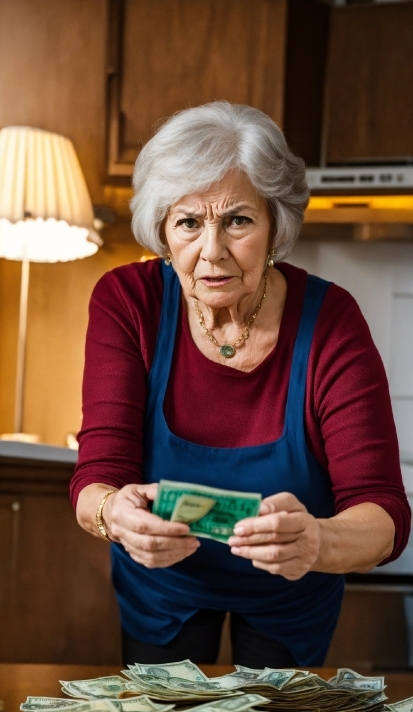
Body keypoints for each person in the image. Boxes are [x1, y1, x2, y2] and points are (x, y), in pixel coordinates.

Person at [70, 102, 410, 669]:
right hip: (162, 587)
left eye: (237, 220)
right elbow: (96, 476)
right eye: (188, 222)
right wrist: (114, 514)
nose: (212, 251)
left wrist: (318, 542)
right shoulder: (128, 302)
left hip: (292, 591)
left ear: (275, 223)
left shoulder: (331, 321)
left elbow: (383, 513)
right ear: (162, 230)